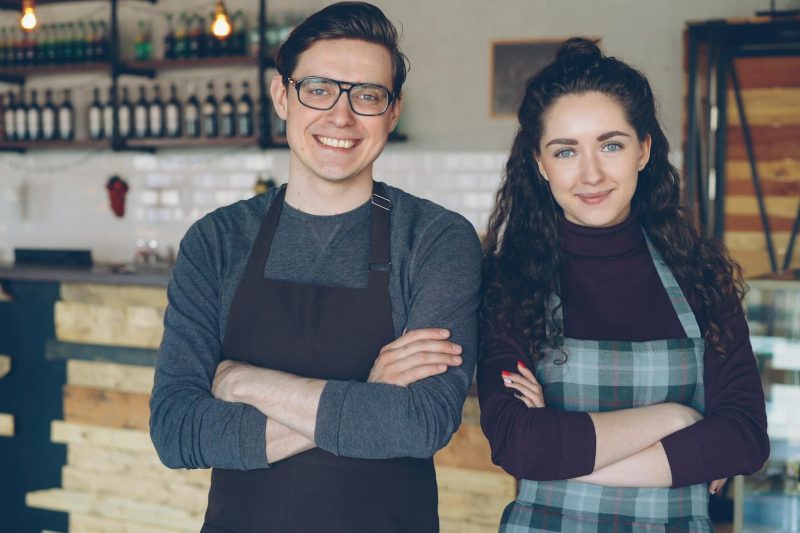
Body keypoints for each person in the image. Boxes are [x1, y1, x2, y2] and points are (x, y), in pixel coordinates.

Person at [149, 3, 481, 532]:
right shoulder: (216, 241)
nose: (341, 118)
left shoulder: (436, 239)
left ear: (392, 113)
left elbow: (421, 423)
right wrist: (368, 397)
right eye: (319, 89)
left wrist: (243, 382)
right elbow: (176, 431)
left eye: (367, 96)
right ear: (283, 95)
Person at [478, 38, 769, 532]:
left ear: (643, 150)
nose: (591, 174)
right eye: (565, 150)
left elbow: (744, 438)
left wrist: (565, 457)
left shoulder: (700, 276)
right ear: (540, 163)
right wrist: (678, 421)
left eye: (611, 145)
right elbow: (520, 445)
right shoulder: (511, 284)